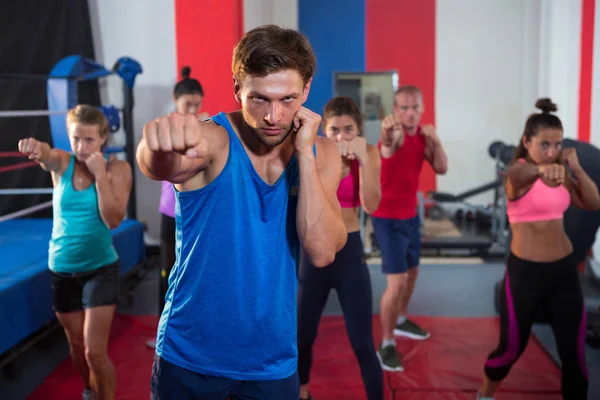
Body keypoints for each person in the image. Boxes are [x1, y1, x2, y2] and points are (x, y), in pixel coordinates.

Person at [136, 25, 347, 400]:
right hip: (190, 354)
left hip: (272, 359)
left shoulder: (323, 153)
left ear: (307, 91)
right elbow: (162, 165)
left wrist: (303, 153)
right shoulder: (213, 139)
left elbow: (322, 250)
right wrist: (155, 148)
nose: (273, 116)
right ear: (237, 89)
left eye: (287, 100)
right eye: (259, 99)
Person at [477, 98, 600, 400]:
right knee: (509, 351)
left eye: (557, 145)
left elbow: (593, 203)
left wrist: (576, 168)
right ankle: (484, 394)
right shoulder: (517, 173)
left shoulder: (561, 172)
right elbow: (516, 179)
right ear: (526, 142)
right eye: (544, 144)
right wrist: (539, 171)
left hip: (563, 274)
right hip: (525, 275)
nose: (551, 151)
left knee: (575, 356)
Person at [18, 105, 132, 400]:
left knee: (95, 350)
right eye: (75, 139)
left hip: (101, 268)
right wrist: (36, 147)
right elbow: (46, 153)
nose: (81, 147)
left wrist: (100, 176)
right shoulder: (62, 163)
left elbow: (113, 220)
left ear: (103, 138)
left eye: (89, 140)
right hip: (63, 268)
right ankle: (88, 390)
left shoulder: (118, 169)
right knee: (77, 347)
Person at [297, 96, 383, 400]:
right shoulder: (315, 152)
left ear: (359, 131)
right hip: (314, 254)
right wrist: (332, 172)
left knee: (362, 342)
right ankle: (303, 393)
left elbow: (371, 204)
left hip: (349, 251)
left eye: (348, 130)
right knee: (302, 337)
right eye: (334, 130)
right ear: (325, 130)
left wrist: (362, 161)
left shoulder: (370, 152)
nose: (341, 137)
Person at [372, 85, 448, 372]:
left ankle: (401, 319)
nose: (410, 113)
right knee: (397, 282)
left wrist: (435, 141)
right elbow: (389, 144)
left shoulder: (423, 138)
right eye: (403, 108)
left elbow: (441, 168)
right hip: (387, 217)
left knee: (413, 272)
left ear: (422, 108)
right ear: (395, 110)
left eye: (415, 107)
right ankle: (387, 342)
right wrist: (388, 134)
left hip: (409, 216)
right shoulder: (395, 135)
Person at [146, 66, 206, 350]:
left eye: (197, 104)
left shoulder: (206, 127)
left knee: (195, 271)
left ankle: (194, 331)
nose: (193, 109)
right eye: (187, 104)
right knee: (167, 271)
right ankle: (163, 332)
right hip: (171, 212)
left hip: (196, 211)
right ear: (175, 99)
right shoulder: (164, 128)